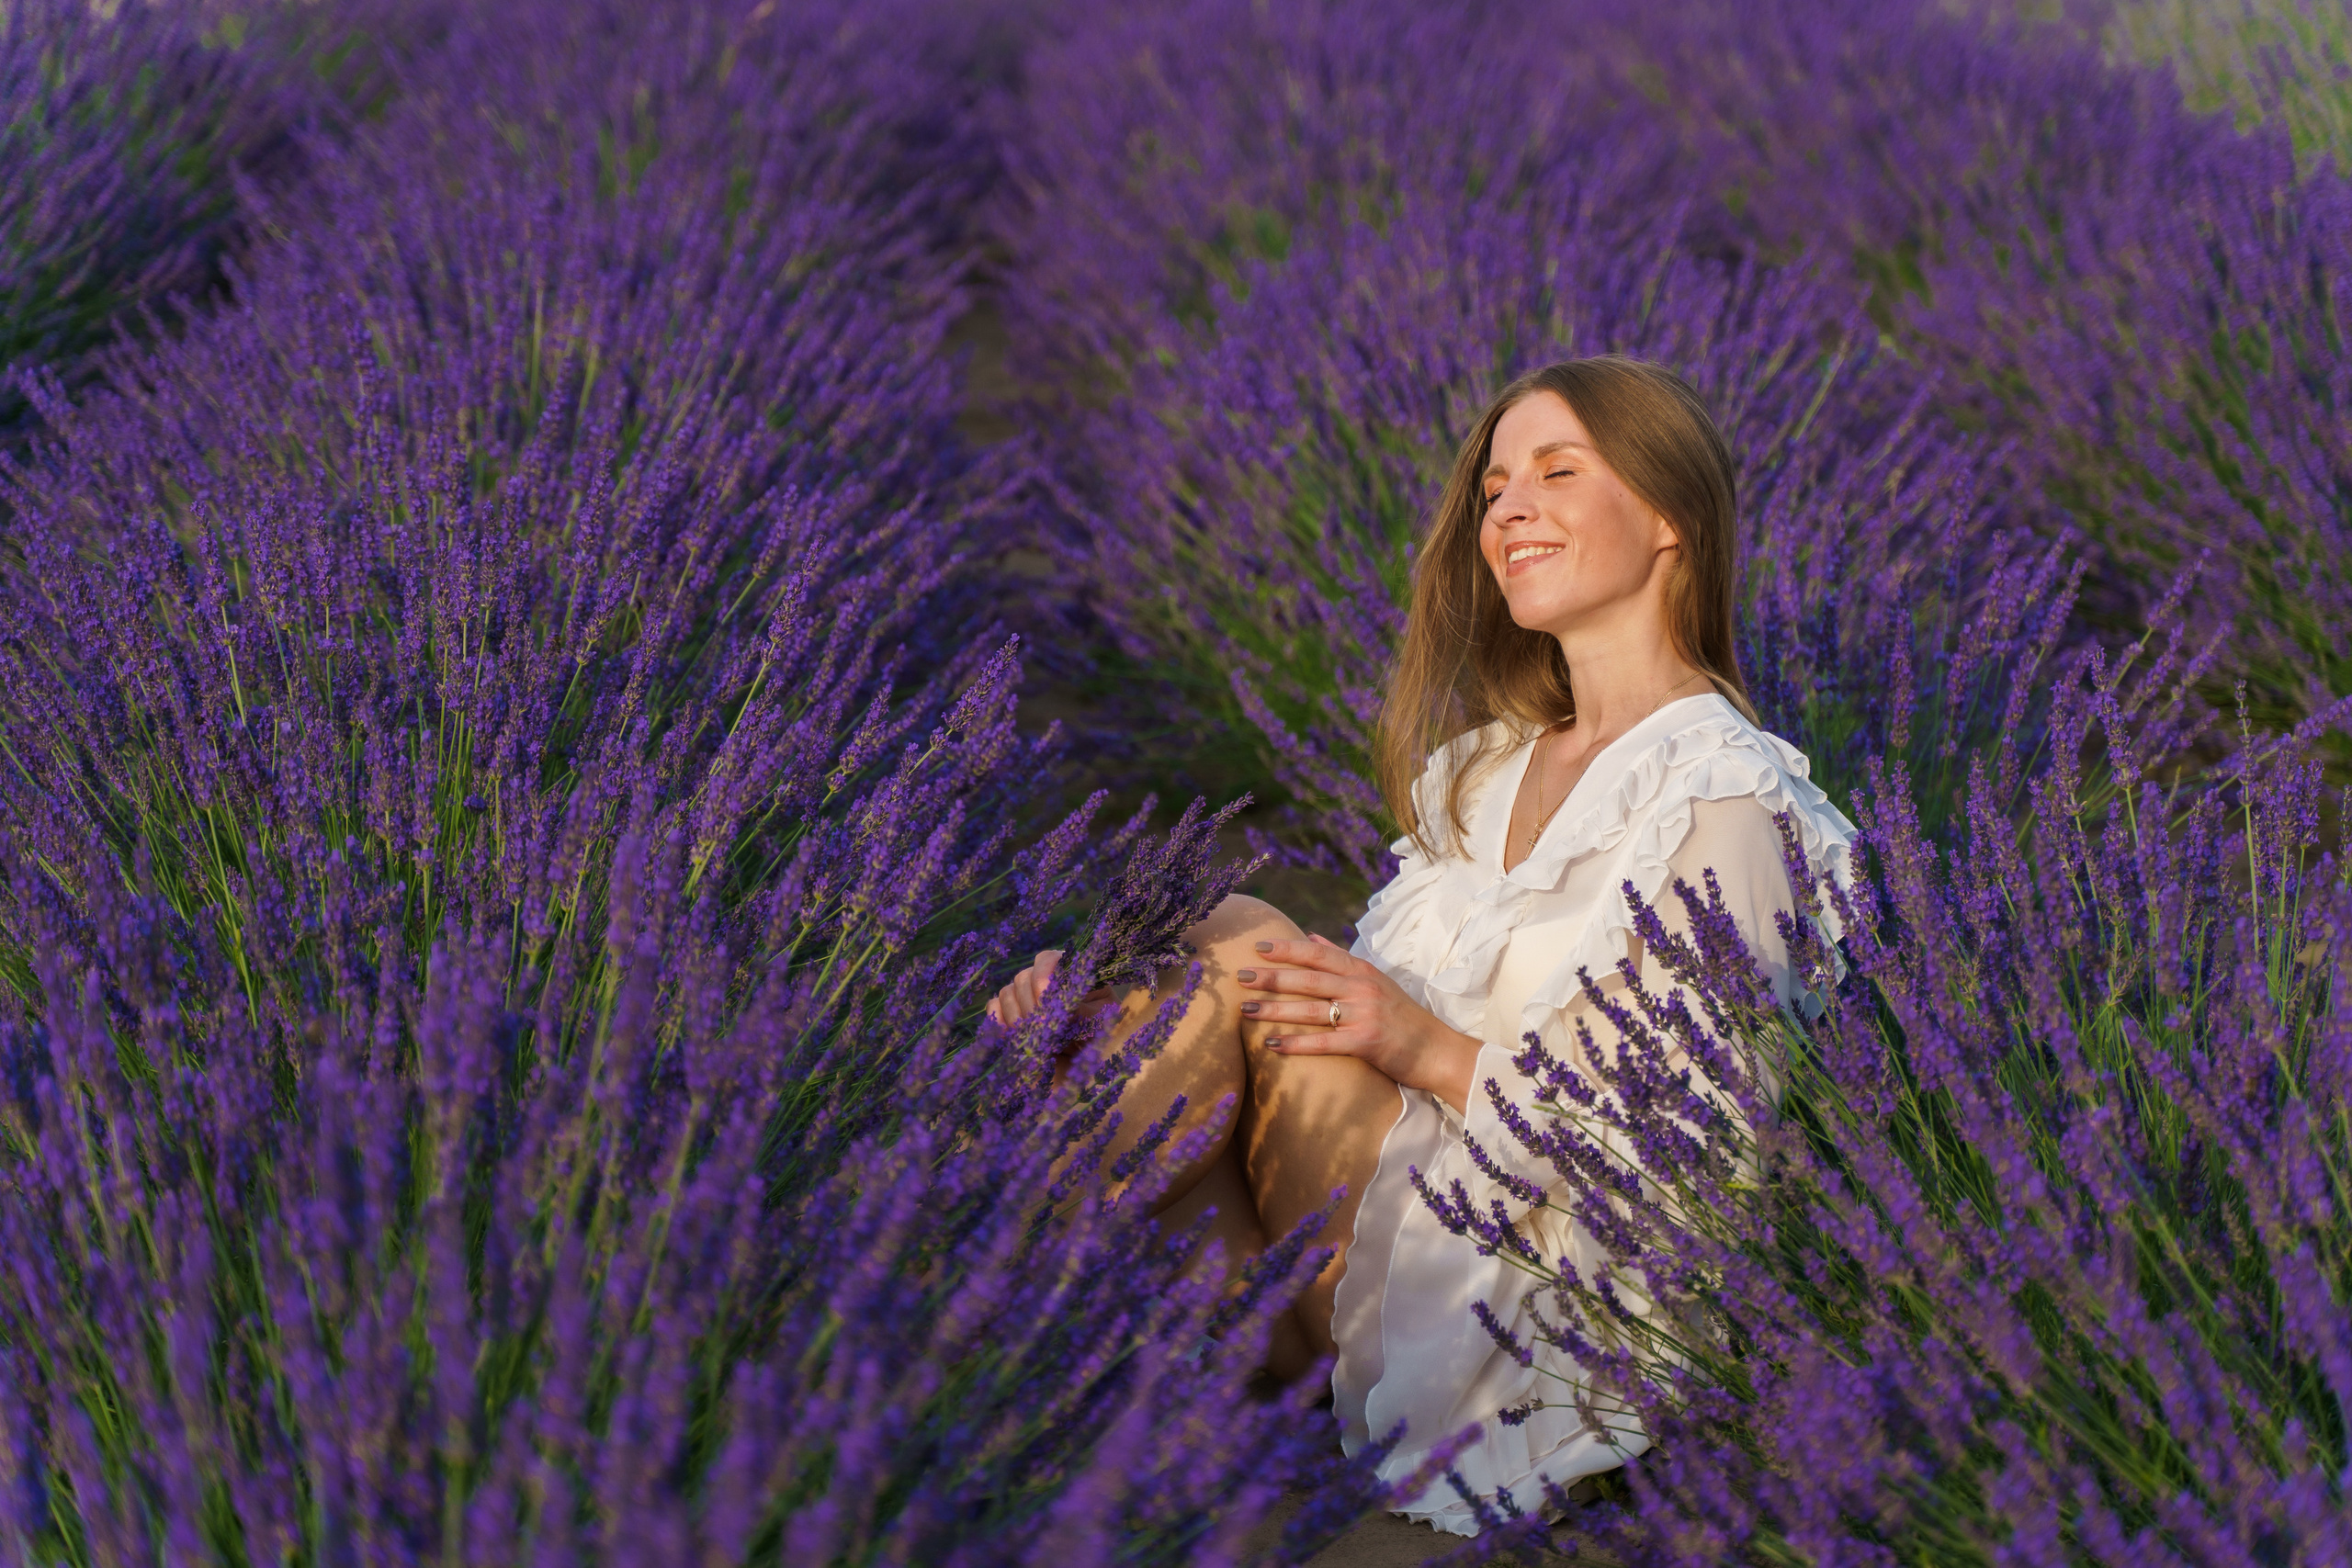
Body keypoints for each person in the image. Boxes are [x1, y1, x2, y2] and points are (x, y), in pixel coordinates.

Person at [988, 355, 1856, 1535]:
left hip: (1538, 1317)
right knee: (1189, 982)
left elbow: (1686, 1172)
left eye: (1556, 472)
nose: (1507, 510)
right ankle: (1030, 1167)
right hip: (1383, 1254)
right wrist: (1103, 1003)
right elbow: (1309, 1039)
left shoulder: (1724, 808)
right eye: (1494, 486)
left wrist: (1424, 1046)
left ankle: (970, 1249)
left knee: (1243, 943)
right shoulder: (1487, 770)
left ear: (1668, 519)